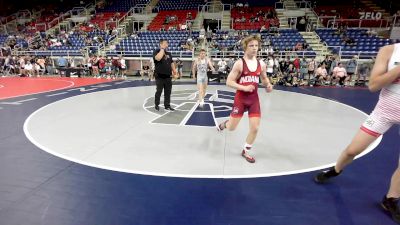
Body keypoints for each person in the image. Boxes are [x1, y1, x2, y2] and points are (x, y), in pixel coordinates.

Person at [314, 43, 400, 223]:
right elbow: (374, 85)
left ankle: (390, 199)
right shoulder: (389, 51)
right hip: (384, 112)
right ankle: (336, 170)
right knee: (353, 150)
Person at [217, 35, 273, 163]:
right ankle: (225, 124)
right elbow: (229, 82)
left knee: (255, 128)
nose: (254, 48)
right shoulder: (239, 63)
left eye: (256, 46)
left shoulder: (261, 64)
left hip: (254, 100)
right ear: (245, 48)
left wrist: (268, 85)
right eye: (251, 46)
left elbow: (264, 79)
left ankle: (246, 151)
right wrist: (243, 87)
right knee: (231, 128)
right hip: (241, 99)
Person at [153, 39, 177, 111]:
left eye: (167, 43)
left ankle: (167, 105)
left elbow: (171, 63)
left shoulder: (169, 54)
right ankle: (157, 104)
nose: (167, 44)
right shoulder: (156, 52)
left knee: (168, 92)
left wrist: (175, 71)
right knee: (159, 91)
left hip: (168, 77)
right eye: (165, 43)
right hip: (159, 76)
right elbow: (158, 58)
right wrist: (162, 49)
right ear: (161, 44)